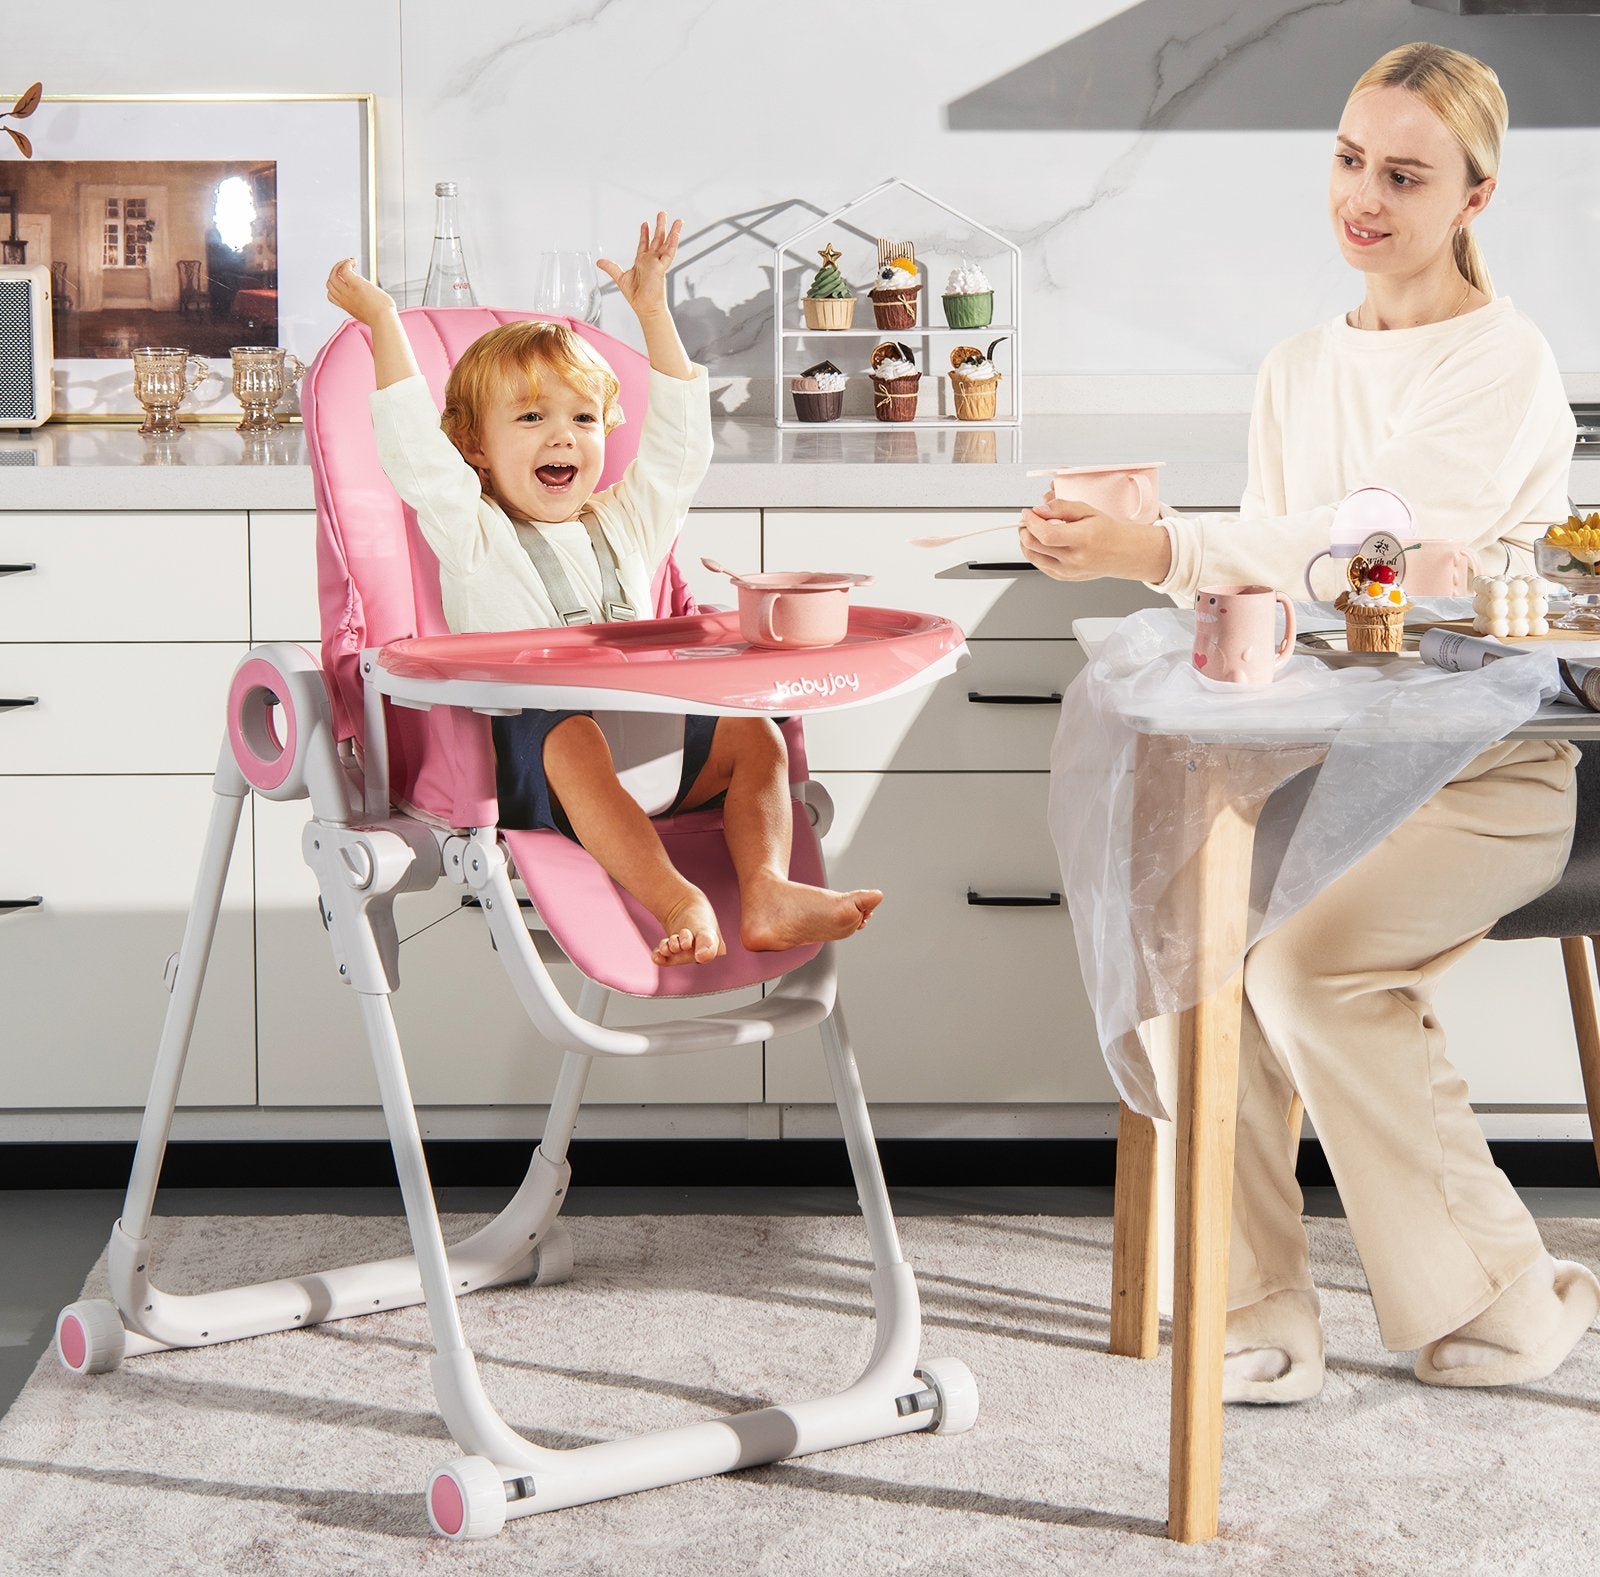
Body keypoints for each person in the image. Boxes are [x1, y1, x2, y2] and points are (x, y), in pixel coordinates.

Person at [1023, 43, 1597, 1398]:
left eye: (1403, 175)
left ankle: (1505, 1292)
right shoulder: (1294, 366)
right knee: (1186, 941)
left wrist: (1158, 547)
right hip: (1332, 758)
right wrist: (1174, 560)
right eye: (1348, 161)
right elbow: (1291, 588)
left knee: (1305, 971)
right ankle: (1254, 1305)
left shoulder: (1504, 363)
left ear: (1474, 198)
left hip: (1490, 767)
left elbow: (1374, 554)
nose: (1363, 197)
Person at [326, 215, 881, 968]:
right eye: (531, 417)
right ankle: (676, 899)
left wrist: (652, 312)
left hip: (656, 752)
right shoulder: (473, 533)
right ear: (475, 448)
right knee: (571, 731)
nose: (563, 436)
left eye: (583, 418)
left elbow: (680, 449)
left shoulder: (628, 523)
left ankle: (768, 890)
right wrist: (384, 321)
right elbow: (413, 451)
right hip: (539, 772)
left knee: (755, 731)